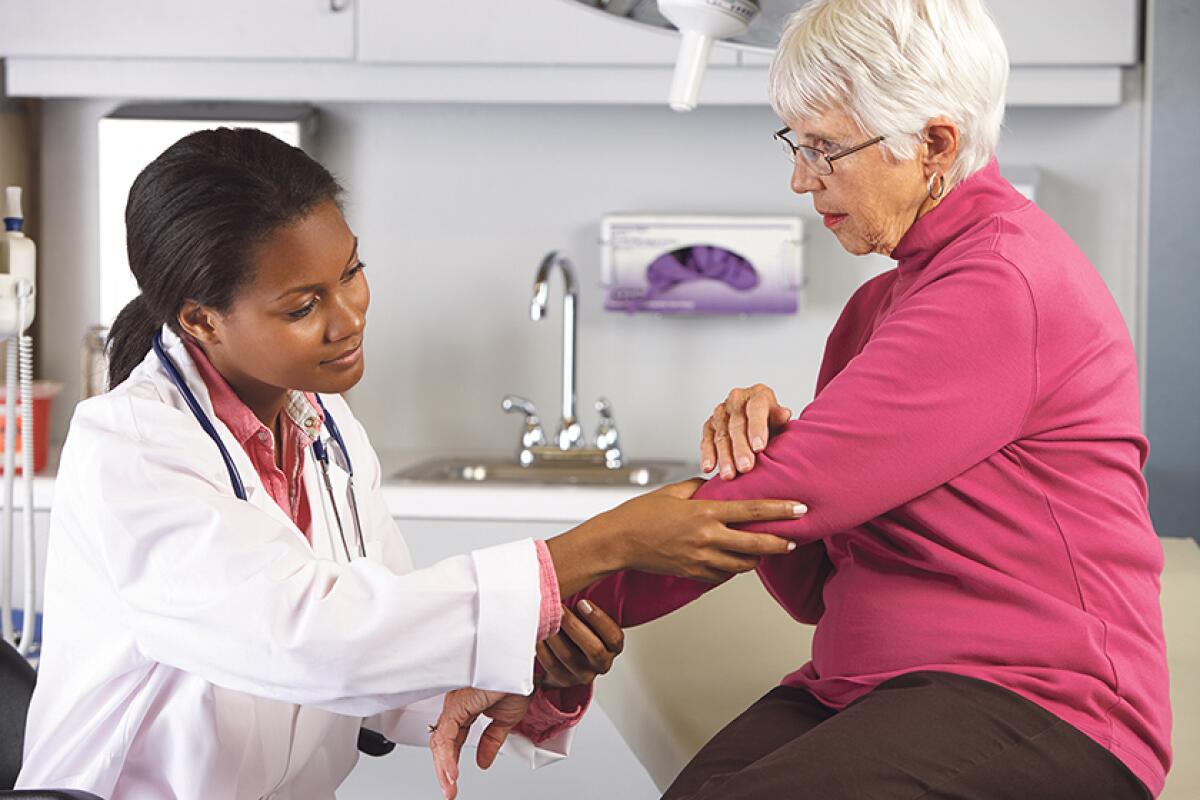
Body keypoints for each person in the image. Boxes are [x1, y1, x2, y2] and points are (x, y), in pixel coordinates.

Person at [477, 1, 1169, 797]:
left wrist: (522, 619)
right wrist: (778, 455)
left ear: (934, 145)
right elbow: (808, 580)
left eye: (825, 148)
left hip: (1040, 701)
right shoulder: (877, 310)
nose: (801, 177)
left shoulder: (1003, 283)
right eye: (796, 143)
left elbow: (775, 504)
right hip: (865, 686)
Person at [15, 127, 808, 799]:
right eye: (303, 305)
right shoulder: (129, 447)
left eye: (351, 273)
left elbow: (388, 662)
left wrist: (537, 674)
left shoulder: (324, 428)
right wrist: (608, 543)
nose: (348, 317)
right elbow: (315, 640)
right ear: (201, 320)